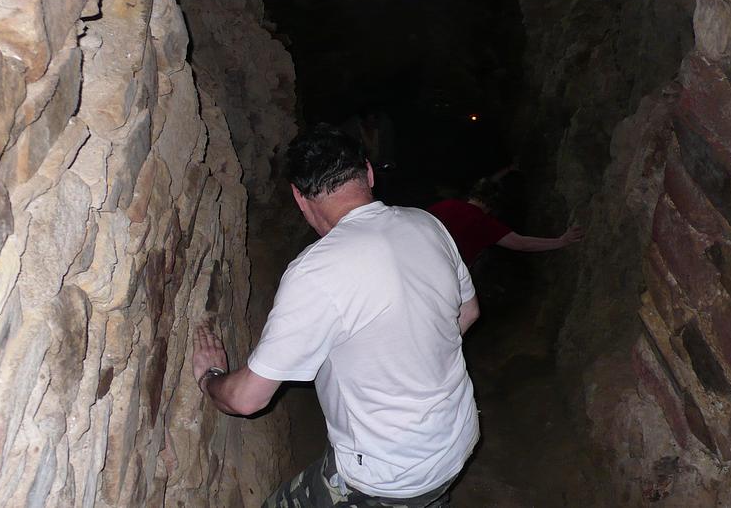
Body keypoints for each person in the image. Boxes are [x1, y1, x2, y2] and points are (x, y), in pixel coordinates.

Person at [191, 124, 480, 507]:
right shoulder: (428, 225)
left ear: (299, 196)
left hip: (388, 473)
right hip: (457, 439)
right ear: (369, 172)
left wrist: (209, 377)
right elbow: (468, 312)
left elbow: (247, 400)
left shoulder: (316, 272)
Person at [428, 176, 584, 268]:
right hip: (443, 273)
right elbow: (521, 243)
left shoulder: (444, 205)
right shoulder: (483, 222)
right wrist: (561, 241)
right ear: (492, 206)